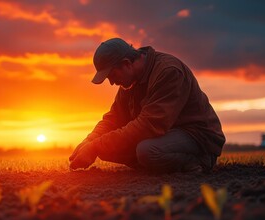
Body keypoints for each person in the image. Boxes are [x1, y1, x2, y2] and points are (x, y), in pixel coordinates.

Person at [69, 38, 225, 173]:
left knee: (147, 151)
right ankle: (154, 167)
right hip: (164, 135)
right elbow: (114, 118)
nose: (111, 82)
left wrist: (96, 146)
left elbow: (150, 125)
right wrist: (89, 142)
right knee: (106, 150)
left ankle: (198, 163)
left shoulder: (168, 71)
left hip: (196, 136)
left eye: (112, 75)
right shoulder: (129, 82)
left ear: (126, 64)